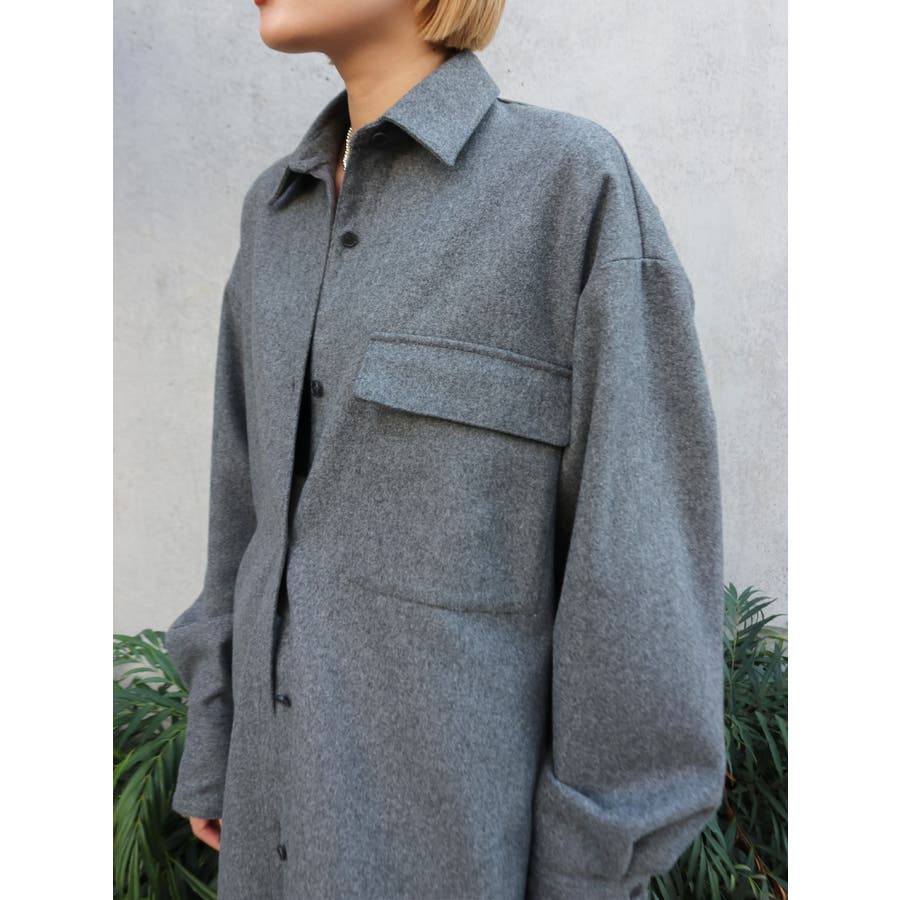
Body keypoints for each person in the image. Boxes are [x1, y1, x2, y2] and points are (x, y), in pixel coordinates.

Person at [164, 2, 726, 898]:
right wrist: (218, 739)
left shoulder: (568, 187)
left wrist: (593, 862)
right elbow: (241, 507)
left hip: (458, 853)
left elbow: (637, 564)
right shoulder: (274, 211)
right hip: (266, 829)